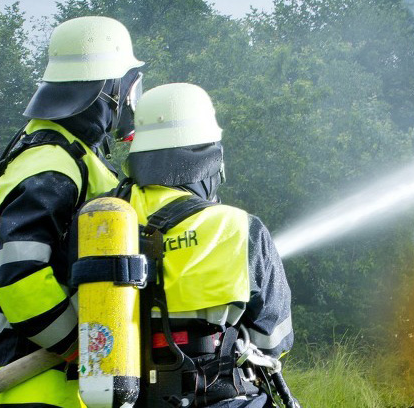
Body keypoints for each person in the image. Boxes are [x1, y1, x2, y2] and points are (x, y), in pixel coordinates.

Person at [0, 15, 143, 408]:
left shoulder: (75, 156)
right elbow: (19, 274)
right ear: (108, 88)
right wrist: (83, 347)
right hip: (40, 385)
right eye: (129, 86)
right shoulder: (51, 163)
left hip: (70, 382)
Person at [111, 83, 294, 407]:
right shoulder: (239, 227)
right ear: (208, 158)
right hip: (219, 397)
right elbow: (273, 340)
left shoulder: (103, 219)